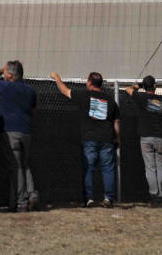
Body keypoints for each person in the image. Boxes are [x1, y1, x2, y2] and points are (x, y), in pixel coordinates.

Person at [50, 71, 120, 207]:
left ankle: (89, 198)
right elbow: (116, 122)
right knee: (108, 169)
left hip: (89, 138)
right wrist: (117, 138)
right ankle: (108, 199)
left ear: (89, 83)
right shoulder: (111, 100)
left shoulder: (84, 95)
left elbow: (64, 90)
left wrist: (56, 77)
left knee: (89, 169)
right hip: (107, 139)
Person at [0, 60, 39, 212]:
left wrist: (0, 69)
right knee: (25, 164)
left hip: (10, 130)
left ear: (9, 75)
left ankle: (21, 202)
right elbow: (33, 112)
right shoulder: (31, 90)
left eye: (6, 73)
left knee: (15, 167)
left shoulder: (6, 86)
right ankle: (32, 194)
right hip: (26, 130)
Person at [125, 75, 162, 205]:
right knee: (161, 167)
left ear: (145, 86)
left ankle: (154, 196)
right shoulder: (161, 100)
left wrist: (138, 86)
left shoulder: (141, 97)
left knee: (150, 168)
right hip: (160, 137)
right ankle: (161, 196)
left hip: (146, 137)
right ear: (155, 86)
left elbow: (128, 89)